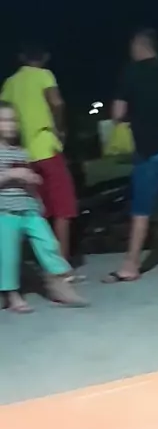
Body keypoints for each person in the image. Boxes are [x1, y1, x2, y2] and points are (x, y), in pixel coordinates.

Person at [104, 29, 158, 282]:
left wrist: (130, 115)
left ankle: (130, 266)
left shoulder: (132, 72)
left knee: (141, 210)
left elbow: (117, 113)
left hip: (149, 152)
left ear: (139, 46)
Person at [0, 102, 87, 312]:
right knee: (8, 255)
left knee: (49, 243)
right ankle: (11, 294)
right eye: (4, 120)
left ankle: (58, 281)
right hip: (6, 212)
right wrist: (10, 175)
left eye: (13, 120)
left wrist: (34, 185)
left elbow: (26, 180)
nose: (10, 125)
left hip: (29, 209)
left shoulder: (22, 152)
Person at [1, 43, 79, 263]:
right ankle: (61, 265)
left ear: (21, 57)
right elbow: (57, 102)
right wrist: (61, 130)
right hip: (46, 147)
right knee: (63, 208)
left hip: (23, 155)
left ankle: (42, 263)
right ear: (45, 57)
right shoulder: (44, 75)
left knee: (36, 210)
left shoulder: (10, 83)